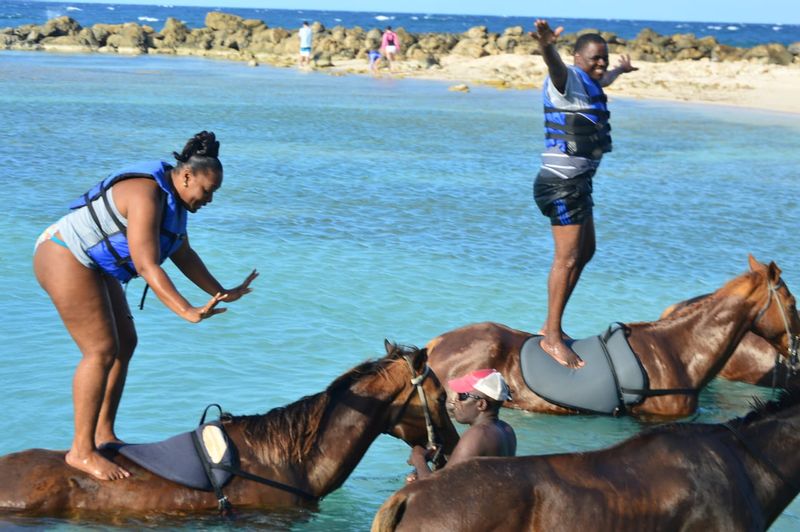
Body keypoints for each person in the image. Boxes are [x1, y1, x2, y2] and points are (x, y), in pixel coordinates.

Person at [33, 131, 258, 481]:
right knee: (101, 350)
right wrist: (187, 311)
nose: (210, 199)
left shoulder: (175, 204)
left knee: (126, 343)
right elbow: (146, 265)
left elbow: (182, 253)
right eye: (208, 191)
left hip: (95, 265)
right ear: (186, 176)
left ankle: (103, 435)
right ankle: (81, 450)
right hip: (64, 253)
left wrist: (222, 290)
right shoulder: (145, 193)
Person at [531, 19, 637, 369]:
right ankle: (551, 338)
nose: (601, 64)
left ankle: (550, 326)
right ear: (577, 57)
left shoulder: (591, 81)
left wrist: (619, 71)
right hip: (560, 186)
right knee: (567, 259)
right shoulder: (567, 80)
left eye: (604, 58)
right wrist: (547, 47)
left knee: (586, 251)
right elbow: (555, 66)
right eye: (595, 59)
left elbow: (603, 79)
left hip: (577, 186)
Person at [406, 369, 516, 481]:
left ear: (481, 404)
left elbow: (439, 487)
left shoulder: (477, 435)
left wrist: (418, 459)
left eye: (463, 395)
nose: (456, 400)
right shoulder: (506, 429)